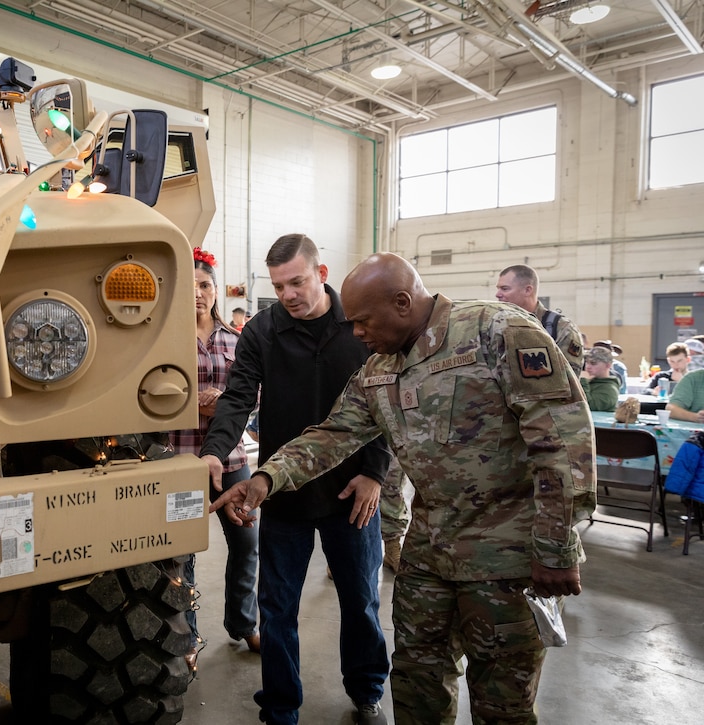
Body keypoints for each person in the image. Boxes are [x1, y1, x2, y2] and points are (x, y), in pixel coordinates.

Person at [211, 252, 596, 724]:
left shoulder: (497, 333)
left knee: (502, 702)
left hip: (507, 560)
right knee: (416, 686)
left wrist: (556, 547)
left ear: (401, 302)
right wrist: (266, 479)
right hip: (428, 557)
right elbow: (333, 434)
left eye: (362, 321)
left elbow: (563, 443)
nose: (354, 333)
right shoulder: (379, 368)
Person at [199, 234, 391, 725]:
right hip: (282, 490)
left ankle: (367, 688)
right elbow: (237, 396)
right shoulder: (263, 331)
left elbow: (388, 404)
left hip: (352, 494)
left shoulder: (359, 326)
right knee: (278, 606)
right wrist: (216, 451)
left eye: (298, 282)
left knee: (361, 599)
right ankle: (281, 706)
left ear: (321, 274)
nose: (288, 294)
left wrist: (375, 473)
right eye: (279, 285)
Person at [176, 247, 259, 673]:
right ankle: (186, 637)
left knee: (246, 545)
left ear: (215, 290)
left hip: (232, 461)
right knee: (181, 554)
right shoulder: (165, 339)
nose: (198, 294)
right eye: (189, 286)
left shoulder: (236, 339)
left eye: (205, 285)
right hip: (182, 461)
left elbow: (254, 395)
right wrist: (197, 406)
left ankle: (243, 623)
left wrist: (224, 405)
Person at [496, 264, 584, 374]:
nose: (498, 294)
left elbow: (570, 380)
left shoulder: (560, 328)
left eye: (504, 289)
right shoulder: (497, 325)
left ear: (528, 290)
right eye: (498, 289)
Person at [579, 346, 620, 411]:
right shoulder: (589, 381)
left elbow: (587, 407)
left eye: (593, 363)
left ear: (608, 365)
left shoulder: (610, 390)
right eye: (586, 362)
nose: (588, 367)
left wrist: (582, 382)